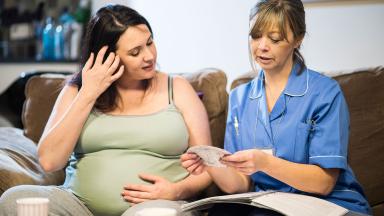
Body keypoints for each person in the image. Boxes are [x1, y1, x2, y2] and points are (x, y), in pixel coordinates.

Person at [0, 4, 211, 216]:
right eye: (135, 52)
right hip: (78, 205)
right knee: (14, 200)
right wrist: (88, 93)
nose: (149, 56)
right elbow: (49, 161)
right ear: (107, 56)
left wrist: (175, 191)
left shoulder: (178, 88)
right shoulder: (76, 91)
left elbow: (209, 167)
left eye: (150, 42)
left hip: (154, 206)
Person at [181, 0, 371, 215]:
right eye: (255, 36)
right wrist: (208, 164)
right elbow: (239, 184)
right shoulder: (240, 98)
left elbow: (323, 183)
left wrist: (265, 163)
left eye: (275, 39)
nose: (262, 46)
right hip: (270, 206)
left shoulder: (325, 93)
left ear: (298, 39)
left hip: (329, 205)